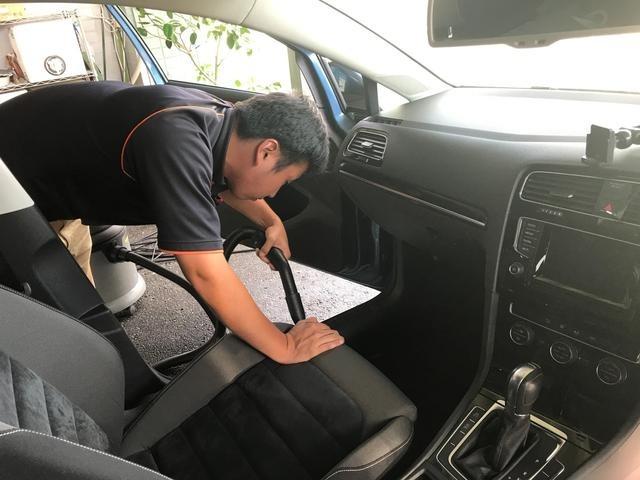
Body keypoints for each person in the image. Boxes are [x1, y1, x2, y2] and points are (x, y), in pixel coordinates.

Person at [0, 80, 344, 364]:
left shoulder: (220, 120)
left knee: (75, 304)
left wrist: (270, 221)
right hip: (10, 188)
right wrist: (285, 347)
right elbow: (204, 271)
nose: (274, 192)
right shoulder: (175, 139)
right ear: (267, 151)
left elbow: (222, 179)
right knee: (44, 315)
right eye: (284, 180)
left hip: (44, 176)